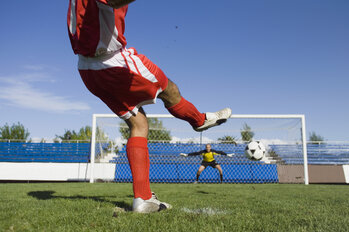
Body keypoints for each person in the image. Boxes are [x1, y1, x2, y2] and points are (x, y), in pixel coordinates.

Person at [67, 0, 232, 213]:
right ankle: (199, 120)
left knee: (138, 123)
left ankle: (143, 198)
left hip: (87, 69)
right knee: (169, 89)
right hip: (112, 61)